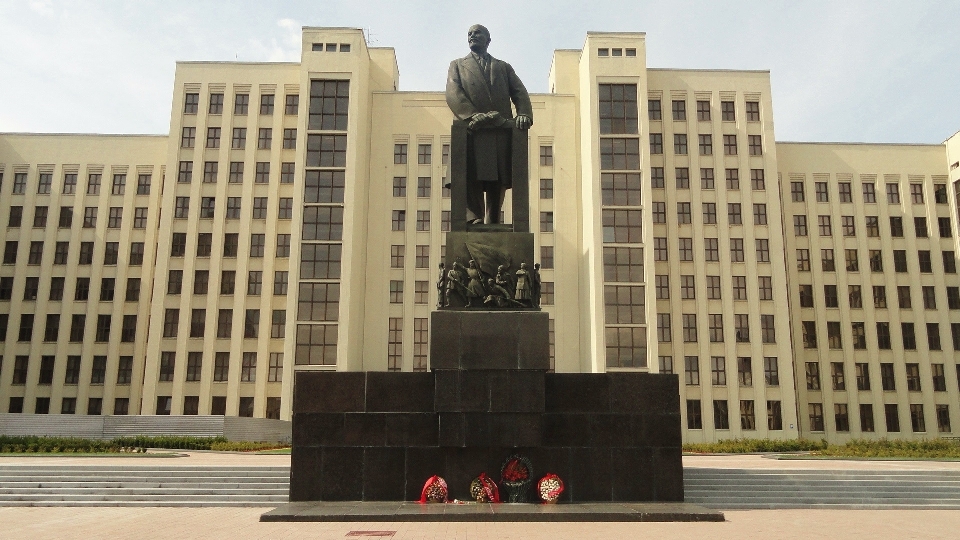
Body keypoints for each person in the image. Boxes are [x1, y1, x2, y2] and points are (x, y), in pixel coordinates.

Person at [446, 24, 533, 225]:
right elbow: (453, 92)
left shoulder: (503, 67)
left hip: (498, 129)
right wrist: (472, 116)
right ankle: (473, 218)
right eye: (469, 33)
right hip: (472, 129)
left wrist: (524, 114)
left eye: (477, 33)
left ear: (488, 40)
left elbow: (519, 91)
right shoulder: (457, 65)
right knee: (471, 175)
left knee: (498, 176)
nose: (472, 36)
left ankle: (493, 220)